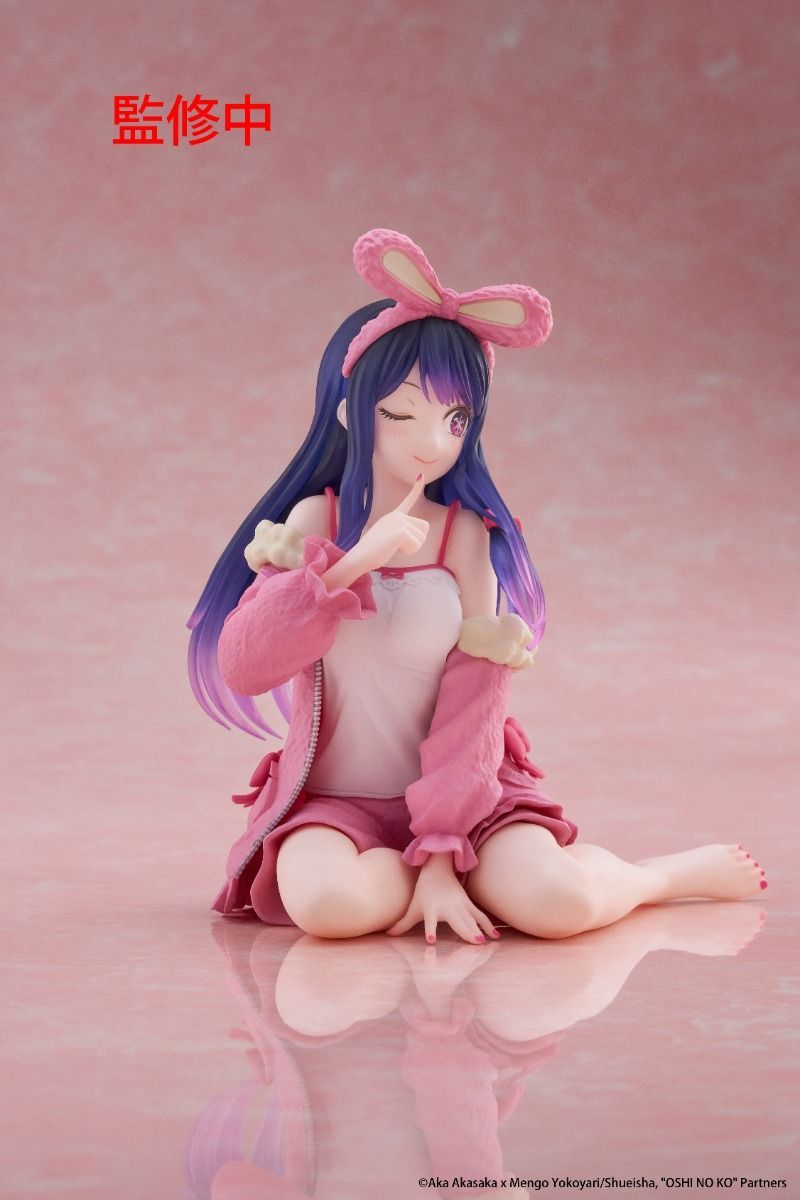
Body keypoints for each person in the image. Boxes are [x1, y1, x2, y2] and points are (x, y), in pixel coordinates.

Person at [188, 229, 767, 945]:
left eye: (455, 418)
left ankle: (657, 878)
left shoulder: (465, 536)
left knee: (558, 905)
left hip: (467, 799)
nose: (432, 441)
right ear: (349, 410)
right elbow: (246, 664)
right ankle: (459, 881)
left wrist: (439, 853)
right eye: (401, 413)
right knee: (329, 908)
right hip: (335, 804)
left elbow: (475, 702)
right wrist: (350, 563)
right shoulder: (316, 521)